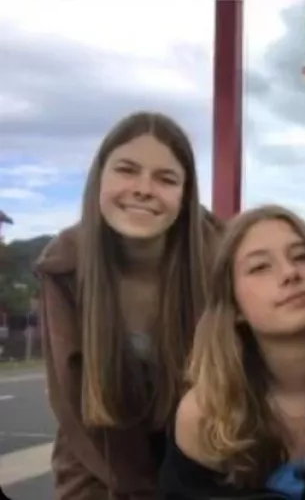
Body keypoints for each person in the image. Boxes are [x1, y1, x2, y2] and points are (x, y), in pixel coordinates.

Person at [35, 111, 221, 500]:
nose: (143, 189)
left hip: (208, 455)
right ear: (99, 179)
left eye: (166, 179)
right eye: (127, 170)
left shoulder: (221, 257)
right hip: (98, 457)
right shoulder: (64, 266)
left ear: (185, 195)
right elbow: (73, 404)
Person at [159, 205, 305, 499]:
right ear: (234, 307)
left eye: (303, 256)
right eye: (260, 267)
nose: (290, 273)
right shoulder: (205, 413)